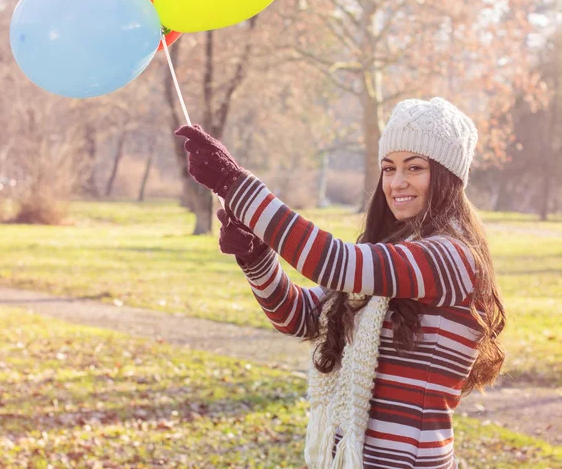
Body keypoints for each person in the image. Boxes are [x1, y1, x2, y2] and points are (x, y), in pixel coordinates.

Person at [175, 97, 506, 469]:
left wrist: (235, 184)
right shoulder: (385, 256)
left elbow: (335, 262)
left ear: (448, 177)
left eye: (415, 168)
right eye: (388, 168)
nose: (397, 182)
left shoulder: (452, 257)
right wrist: (257, 258)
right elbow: (300, 317)